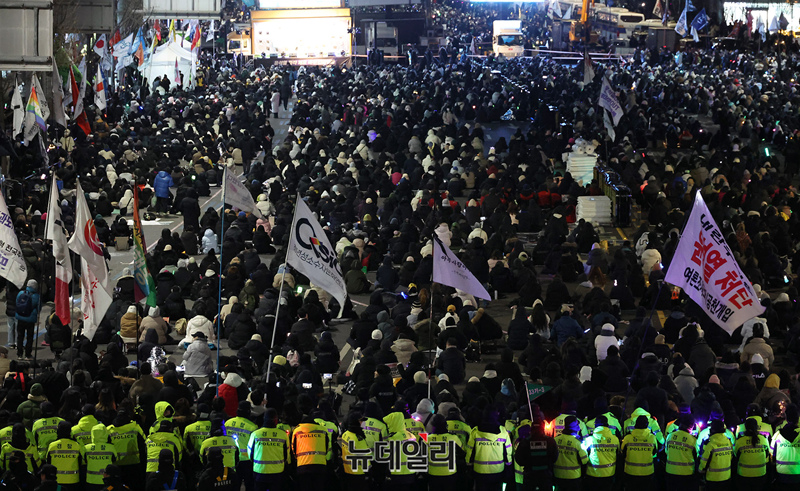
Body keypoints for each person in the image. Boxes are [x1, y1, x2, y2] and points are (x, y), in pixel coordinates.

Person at [466, 409, 512, 491]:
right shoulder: (503, 432)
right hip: (497, 470)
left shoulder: (475, 431)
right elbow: (508, 451)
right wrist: (508, 465)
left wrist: (468, 465)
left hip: (480, 470)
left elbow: (470, 451)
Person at [247, 409, 290, 491]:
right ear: (276, 420)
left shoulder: (256, 434)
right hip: (277, 473)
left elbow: (250, 453)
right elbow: (286, 455)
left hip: (259, 471)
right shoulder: (283, 435)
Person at [224, 402, 256, 491]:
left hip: (232, 458)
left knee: (234, 486)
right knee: (249, 485)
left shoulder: (227, 423)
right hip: (246, 460)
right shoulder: (252, 427)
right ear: (248, 411)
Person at [45, 421, 85, 491]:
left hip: (57, 481)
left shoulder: (52, 445)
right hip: (73, 480)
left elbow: (48, 462)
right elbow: (81, 463)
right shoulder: (76, 445)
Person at [583, 415, 619, 491]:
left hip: (593, 473)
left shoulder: (590, 439)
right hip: (609, 473)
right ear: (607, 425)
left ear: (596, 425)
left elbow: (583, 455)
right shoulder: (615, 439)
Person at [733, 417, 769, 491]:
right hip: (760, 474)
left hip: (744, 475)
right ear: (756, 427)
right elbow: (767, 454)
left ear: (745, 427)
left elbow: (736, 455)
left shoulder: (740, 441)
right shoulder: (763, 439)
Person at [621, 416, 657, 488]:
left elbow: (623, 453)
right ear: (647, 425)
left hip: (630, 472)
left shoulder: (628, 438)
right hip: (647, 472)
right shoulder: (652, 438)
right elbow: (654, 453)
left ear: (635, 425)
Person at [664, 415, 697, 491]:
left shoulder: (670, 436)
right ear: (691, 426)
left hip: (670, 471)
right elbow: (696, 456)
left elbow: (666, 451)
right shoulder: (692, 440)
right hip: (686, 474)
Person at [698, 419, 733, 491]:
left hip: (712, 478)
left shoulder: (710, 444)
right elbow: (731, 457)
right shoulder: (728, 441)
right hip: (726, 476)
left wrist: (700, 471)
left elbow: (704, 461)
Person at [340, 413, 371, 491]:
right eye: (361, 421)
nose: (363, 423)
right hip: (358, 473)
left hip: (347, 470)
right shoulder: (358, 439)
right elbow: (365, 459)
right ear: (356, 422)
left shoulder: (345, 434)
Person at [15, 280, 40, 360]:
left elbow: (17, 303)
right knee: (29, 337)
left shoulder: (21, 293)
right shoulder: (36, 296)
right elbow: (39, 308)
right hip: (30, 319)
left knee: (20, 336)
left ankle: (19, 354)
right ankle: (28, 354)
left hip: (20, 317)